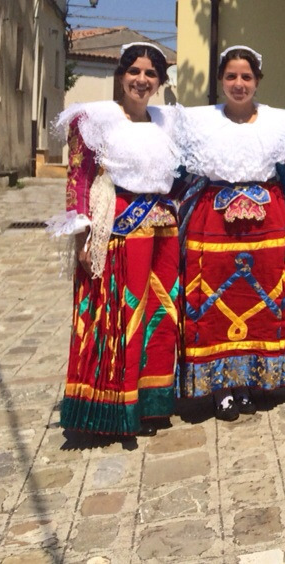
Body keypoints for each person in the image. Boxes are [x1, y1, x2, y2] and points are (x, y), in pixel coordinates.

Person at [47, 42, 183, 437]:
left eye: (151, 73)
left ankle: (153, 403)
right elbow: (79, 178)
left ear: (159, 82)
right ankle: (117, 406)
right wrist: (84, 238)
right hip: (119, 229)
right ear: (121, 75)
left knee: (161, 316)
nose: (142, 80)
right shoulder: (96, 119)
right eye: (135, 71)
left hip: (164, 230)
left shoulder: (168, 121)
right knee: (124, 315)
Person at [178, 46, 285, 421]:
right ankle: (220, 387)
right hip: (213, 227)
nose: (239, 84)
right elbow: (181, 176)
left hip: (268, 228)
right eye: (232, 76)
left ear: (258, 81)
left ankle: (248, 382)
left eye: (247, 77)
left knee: (261, 303)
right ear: (221, 81)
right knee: (214, 305)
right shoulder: (198, 123)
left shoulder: (280, 124)